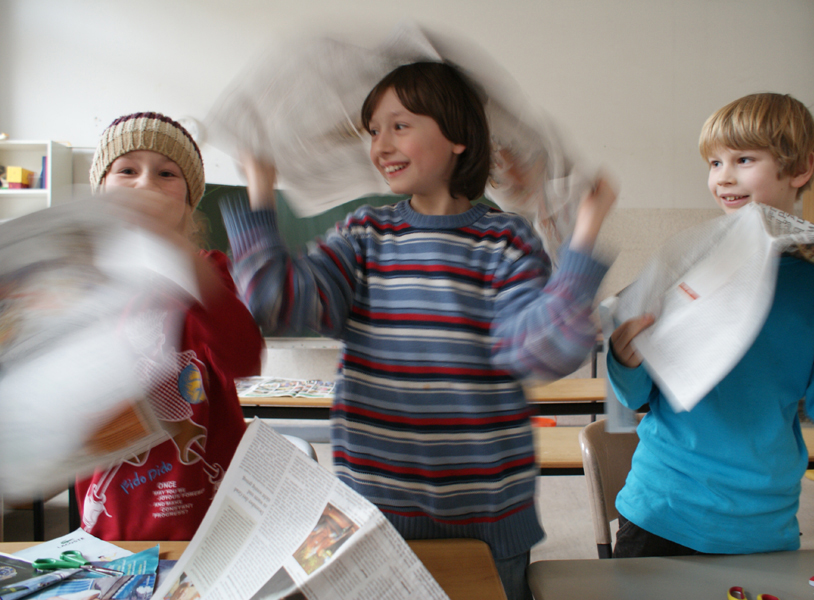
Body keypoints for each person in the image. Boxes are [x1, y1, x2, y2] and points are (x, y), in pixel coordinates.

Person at [223, 62, 616, 600]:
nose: (381, 144)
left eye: (400, 125)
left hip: (486, 520)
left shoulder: (505, 240)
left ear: (457, 136)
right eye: (373, 130)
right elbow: (275, 299)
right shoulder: (364, 234)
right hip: (373, 514)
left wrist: (582, 241)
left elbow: (539, 350)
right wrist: (260, 194)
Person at [607, 93, 814, 558]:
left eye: (744, 159)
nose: (723, 176)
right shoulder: (689, 257)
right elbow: (634, 397)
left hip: (763, 523)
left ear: (799, 170)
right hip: (661, 508)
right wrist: (624, 357)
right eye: (714, 162)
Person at [75, 112, 265, 540]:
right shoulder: (82, 286)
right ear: (101, 190)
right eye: (127, 170)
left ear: (188, 200)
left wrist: (176, 258)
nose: (146, 185)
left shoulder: (205, 272)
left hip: (207, 523)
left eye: (166, 174)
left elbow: (245, 356)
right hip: (113, 529)